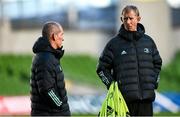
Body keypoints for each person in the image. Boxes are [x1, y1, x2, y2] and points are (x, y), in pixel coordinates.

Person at [96, 5, 162, 116]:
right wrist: (112, 85)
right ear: (121, 19)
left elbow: (158, 63)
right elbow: (101, 69)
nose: (128, 22)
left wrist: (154, 82)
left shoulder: (148, 42)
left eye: (131, 18)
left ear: (138, 18)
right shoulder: (113, 44)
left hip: (146, 101)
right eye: (125, 18)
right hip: (124, 102)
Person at [30, 21, 71, 116]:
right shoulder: (46, 58)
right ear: (54, 36)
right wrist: (59, 104)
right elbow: (46, 89)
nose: (63, 38)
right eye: (61, 35)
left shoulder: (49, 56)